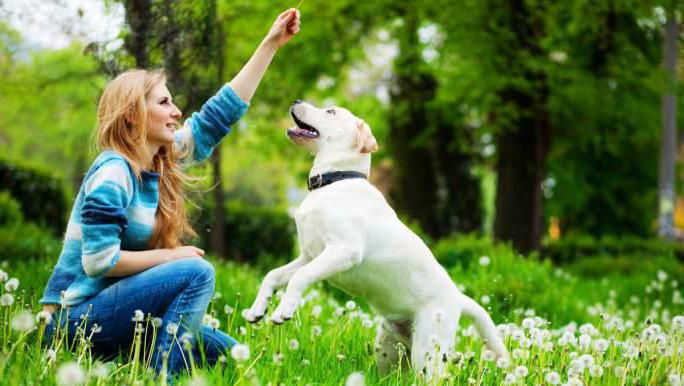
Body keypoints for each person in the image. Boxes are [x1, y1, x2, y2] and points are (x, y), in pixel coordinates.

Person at [39, 7, 301, 378]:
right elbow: (98, 262)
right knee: (196, 272)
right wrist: (170, 256)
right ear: (133, 115)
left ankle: (137, 359)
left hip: (114, 313)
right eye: (164, 102)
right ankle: (163, 376)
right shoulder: (113, 173)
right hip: (73, 322)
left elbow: (215, 118)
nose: (176, 111)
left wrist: (270, 44)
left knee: (227, 353)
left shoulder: (156, 162)